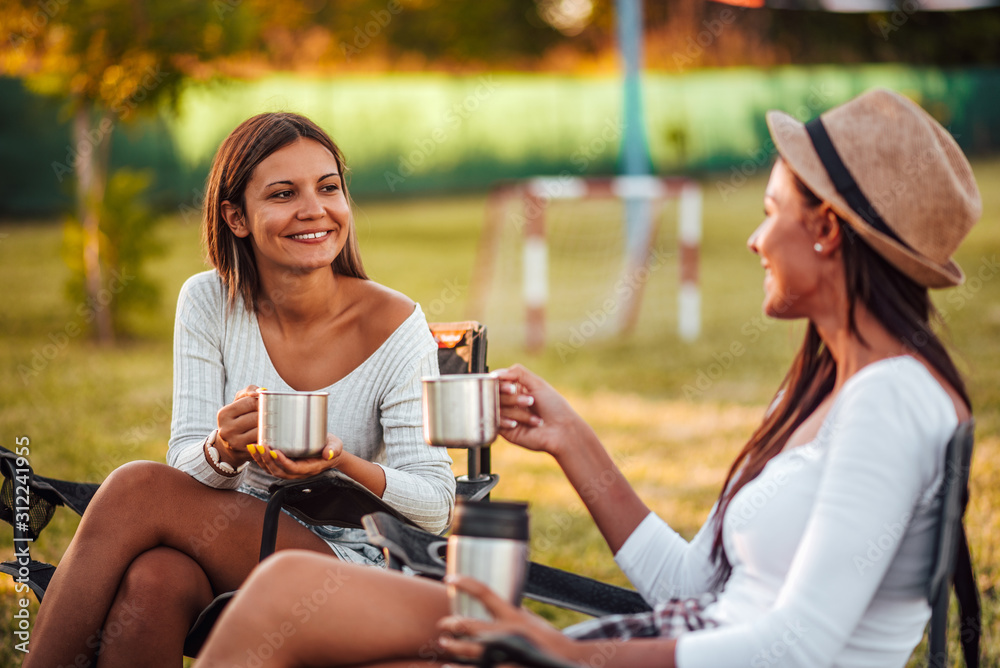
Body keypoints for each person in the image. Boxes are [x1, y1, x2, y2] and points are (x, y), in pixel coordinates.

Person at [194, 87, 981, 668]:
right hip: (665, 641)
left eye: (771, 210)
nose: (754, 238)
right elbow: (691, 586)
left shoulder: (891, 398)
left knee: (287, 597)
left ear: (826, 229)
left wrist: (567, 656)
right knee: (313, 611)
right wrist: (571, 439)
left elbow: (800, 647)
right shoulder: (827, 389)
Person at [23, 112, 456, 667]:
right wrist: (221, 451)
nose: (313, 210)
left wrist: (340, 461)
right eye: (283, 194)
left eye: (328, 188)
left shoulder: (395, 324)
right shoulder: (209, 302)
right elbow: (183, 466)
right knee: (155, 579)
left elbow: (436, 506)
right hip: (229, 539)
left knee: (134, 488)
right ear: (236, 217)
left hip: (353, 562)